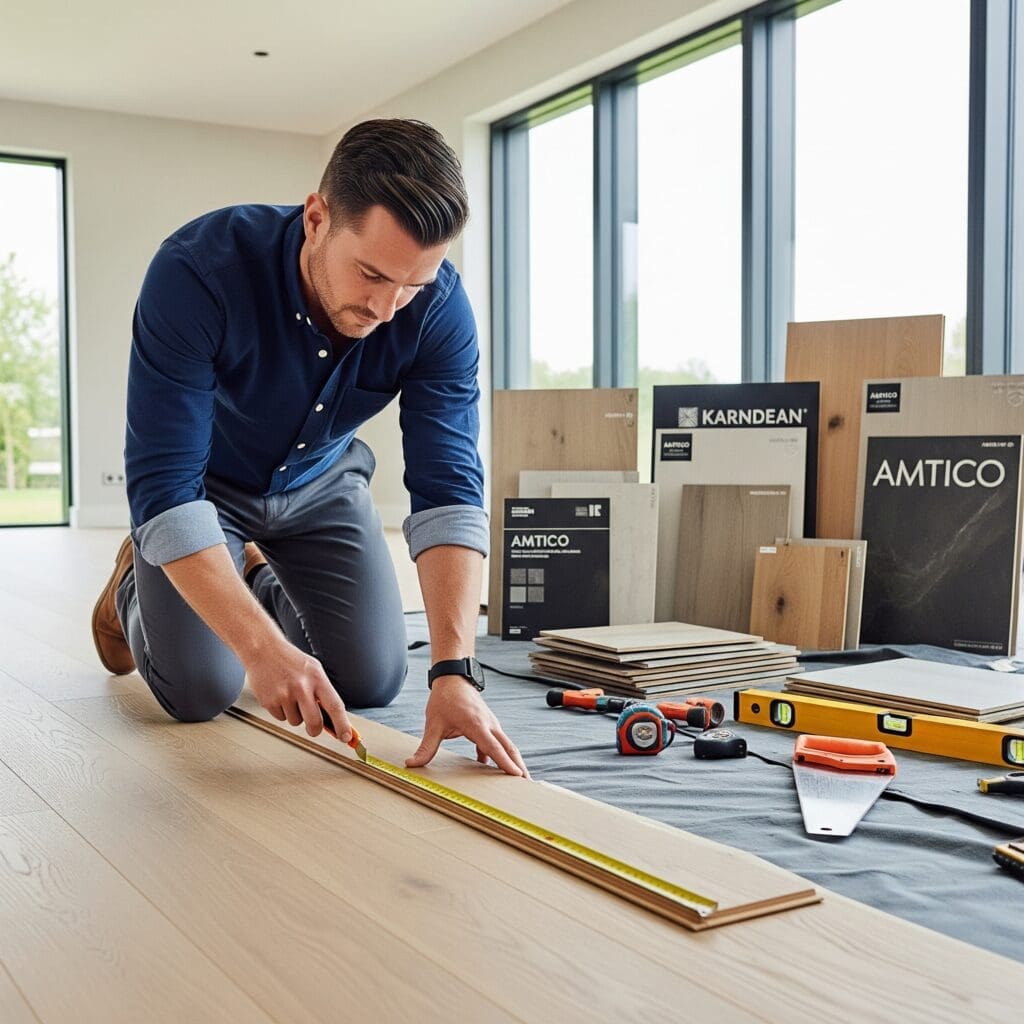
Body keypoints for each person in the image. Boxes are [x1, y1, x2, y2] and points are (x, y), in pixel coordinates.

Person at [91, 118, 527, 777]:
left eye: (412, 285)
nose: (387, 308)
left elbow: (449, 489)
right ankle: (132, 582)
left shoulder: (438, 309)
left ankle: (251, 574)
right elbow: (165, 488)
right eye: (371, 274)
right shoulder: (195, 272)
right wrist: (262, 652)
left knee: (371, 680)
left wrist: (454, 671)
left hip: (323, 481)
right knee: (199, 690)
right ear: (317, 218)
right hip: (204, 493)